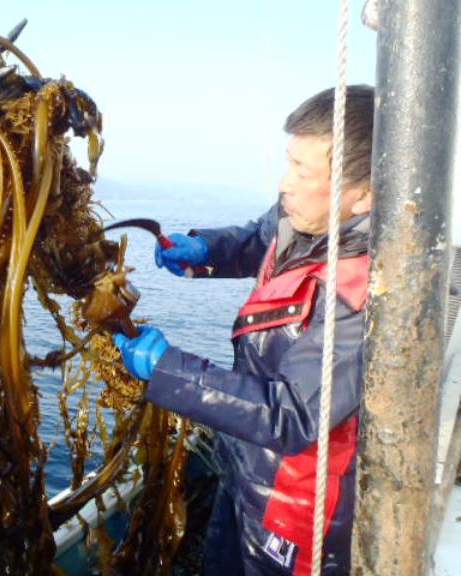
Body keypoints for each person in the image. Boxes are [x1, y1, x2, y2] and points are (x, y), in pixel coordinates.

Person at [113, 85, 374, 576]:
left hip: (293, 513)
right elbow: (260, 238)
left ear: (364, 195)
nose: (284, 184)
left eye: (303, 172)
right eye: (288, 162)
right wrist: (204, 251)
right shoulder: (306, 218)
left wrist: (168, 370)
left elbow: (291, 415)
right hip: (244, 468)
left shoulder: (361, 295)